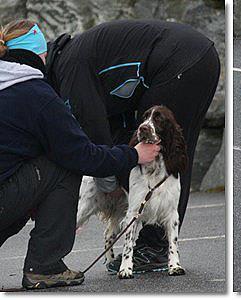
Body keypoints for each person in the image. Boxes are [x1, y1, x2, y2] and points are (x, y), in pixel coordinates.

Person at [16, 19, 219, 274]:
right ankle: (154, 245)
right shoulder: (72, 60)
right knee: (164, 151)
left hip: (180, 61)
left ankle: (153, 247)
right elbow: (116, 128)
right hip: (196, 56)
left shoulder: (70, 69)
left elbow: (94, 130)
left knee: (165, 153)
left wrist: (109, 185)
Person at [0, 20, 160, 289]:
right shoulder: (36, 94)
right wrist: (134, 155)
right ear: (38, 56)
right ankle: (45, 266)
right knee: (62, 163)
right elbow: (81, 155)